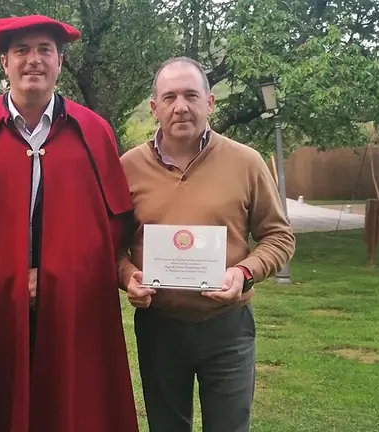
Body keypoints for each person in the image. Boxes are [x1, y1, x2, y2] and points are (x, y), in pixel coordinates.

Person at [0, 14, 139, 432]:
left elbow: (111, 229)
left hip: (72, 311)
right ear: (4, 63)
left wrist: (55, 275)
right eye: (22, 51)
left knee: (70, 407)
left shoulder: (94, 133)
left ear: (59, 62)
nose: (33, 60)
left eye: (44, 50)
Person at [118, 57, 296, 432]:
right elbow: (109, 245)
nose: (180, 106)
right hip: (159, 326)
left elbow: (278, 235)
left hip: (227, 328)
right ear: (155, 108)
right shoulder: (127, 168)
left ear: (209, 102)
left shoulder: (246, 162)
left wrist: (244, 272)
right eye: (169, 97)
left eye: (190, 95)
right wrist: (128, 275)